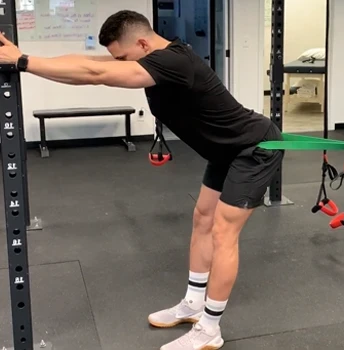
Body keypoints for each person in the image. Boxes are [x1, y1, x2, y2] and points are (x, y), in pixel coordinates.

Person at [0, 10, 284, 350]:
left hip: (254, 148)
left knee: (224, 231)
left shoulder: (174, 61)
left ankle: (210, 329)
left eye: (122, 56)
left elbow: (95, 73)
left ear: (143, 43)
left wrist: (23, 61)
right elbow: (89, 68)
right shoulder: (156, 57)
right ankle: (193, 303)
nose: (118, 63)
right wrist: (28, 61)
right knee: (202, 218)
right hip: (226, 150)